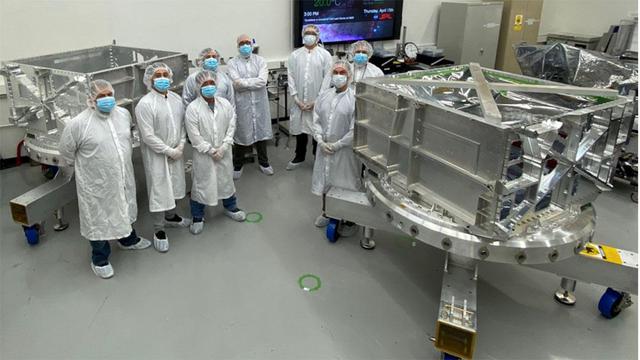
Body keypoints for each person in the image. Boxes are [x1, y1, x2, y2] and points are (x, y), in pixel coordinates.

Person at [59, 80, 151, 279]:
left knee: (125, 206)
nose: (107, 99)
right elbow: (66, 152)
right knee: (99, 217)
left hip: (124, 175)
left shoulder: (123, 115)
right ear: (90, 99)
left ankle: (128, 240)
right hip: (96, 183)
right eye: (101, 96)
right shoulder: (78, 124)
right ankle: (100, 258)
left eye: (109, 94)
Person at [135, 63, 190, 253]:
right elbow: (148, 136)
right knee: (159, 190)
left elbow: (182, 125)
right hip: (156, 155)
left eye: (165, 74)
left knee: (174, 185)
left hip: (176, 150)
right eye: (157, 75)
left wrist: (181, 144)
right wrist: (168, 150)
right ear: (150, 80)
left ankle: (172, 216)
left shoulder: (176, 99)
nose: (161, 77)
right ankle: (158, 229)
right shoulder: (145, 104)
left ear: (171, 76)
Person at [185, 70, 247, 235]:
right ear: (198, 87)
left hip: (224, 152)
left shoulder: (225, 104)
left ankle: (231, 207)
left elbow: (231, 125)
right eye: (205, 84)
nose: (209, 87)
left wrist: (225, 146)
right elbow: (194, 135)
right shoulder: (192, 108)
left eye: (212, 83)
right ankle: (197, 216)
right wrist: (211, 150)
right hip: (204, 156)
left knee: (226, 180)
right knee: (201, 183)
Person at [311, 60, 361, 227]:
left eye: (342, 73)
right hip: (324, 147)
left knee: (345, 182)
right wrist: (320, 140)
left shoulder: (354, 99)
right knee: (326, 180)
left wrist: (338, 145)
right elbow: (316, 120)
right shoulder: (324, 96)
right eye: (336, 72)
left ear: (349, 76)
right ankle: (326, 212)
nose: (338, 76)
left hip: (345, 151)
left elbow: (356, 129)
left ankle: (348, 216)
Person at [286, 24, 333, 171]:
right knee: (300, 130)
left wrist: (317, 100)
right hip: (299, 101)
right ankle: (299, 156)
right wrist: (296, 99)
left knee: (317, 131)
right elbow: (291, 77)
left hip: (317, 102)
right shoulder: (295, 55)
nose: (309, 35)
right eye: (307, 33)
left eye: (312, 33)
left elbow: (327, 79)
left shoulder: (325, 55)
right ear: (302, 35)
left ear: (318, 36)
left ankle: (317, 159)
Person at [227, 34, 274, 179]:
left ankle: (264, 162)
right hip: (242, 105)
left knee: (261, 134)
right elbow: (235, 82)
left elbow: (262, 81)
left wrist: (244, 83)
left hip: (259, 104)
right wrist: (250, 83)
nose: (245, 45)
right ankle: (237, 165)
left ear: (252, 45)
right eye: (242, 43)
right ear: (237, 46)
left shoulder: (260, 61)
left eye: (247, 42)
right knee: (241, 133)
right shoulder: (232, 63)